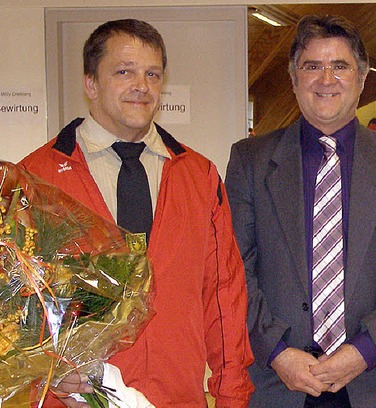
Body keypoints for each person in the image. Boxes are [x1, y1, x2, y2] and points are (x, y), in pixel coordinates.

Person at [19, 19, 254, 407]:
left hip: (178, 397)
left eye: (152, 74)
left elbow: (223, 297)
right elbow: (15, 304)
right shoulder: (38, 177)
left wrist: (232, 396)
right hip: (76, 399)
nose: (141, 86)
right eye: (124, 72)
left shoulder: (198, 176)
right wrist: (43, 372)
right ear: (90, 83)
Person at [225, 14, 376, 407]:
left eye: (340, 66)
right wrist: (277, 352)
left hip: (371, 380)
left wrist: (364, 352)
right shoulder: (250, 161)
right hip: (278, 382)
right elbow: (234, 268)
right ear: (293, 79)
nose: (326, 79)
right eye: (312, 66)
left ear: (361, 79)